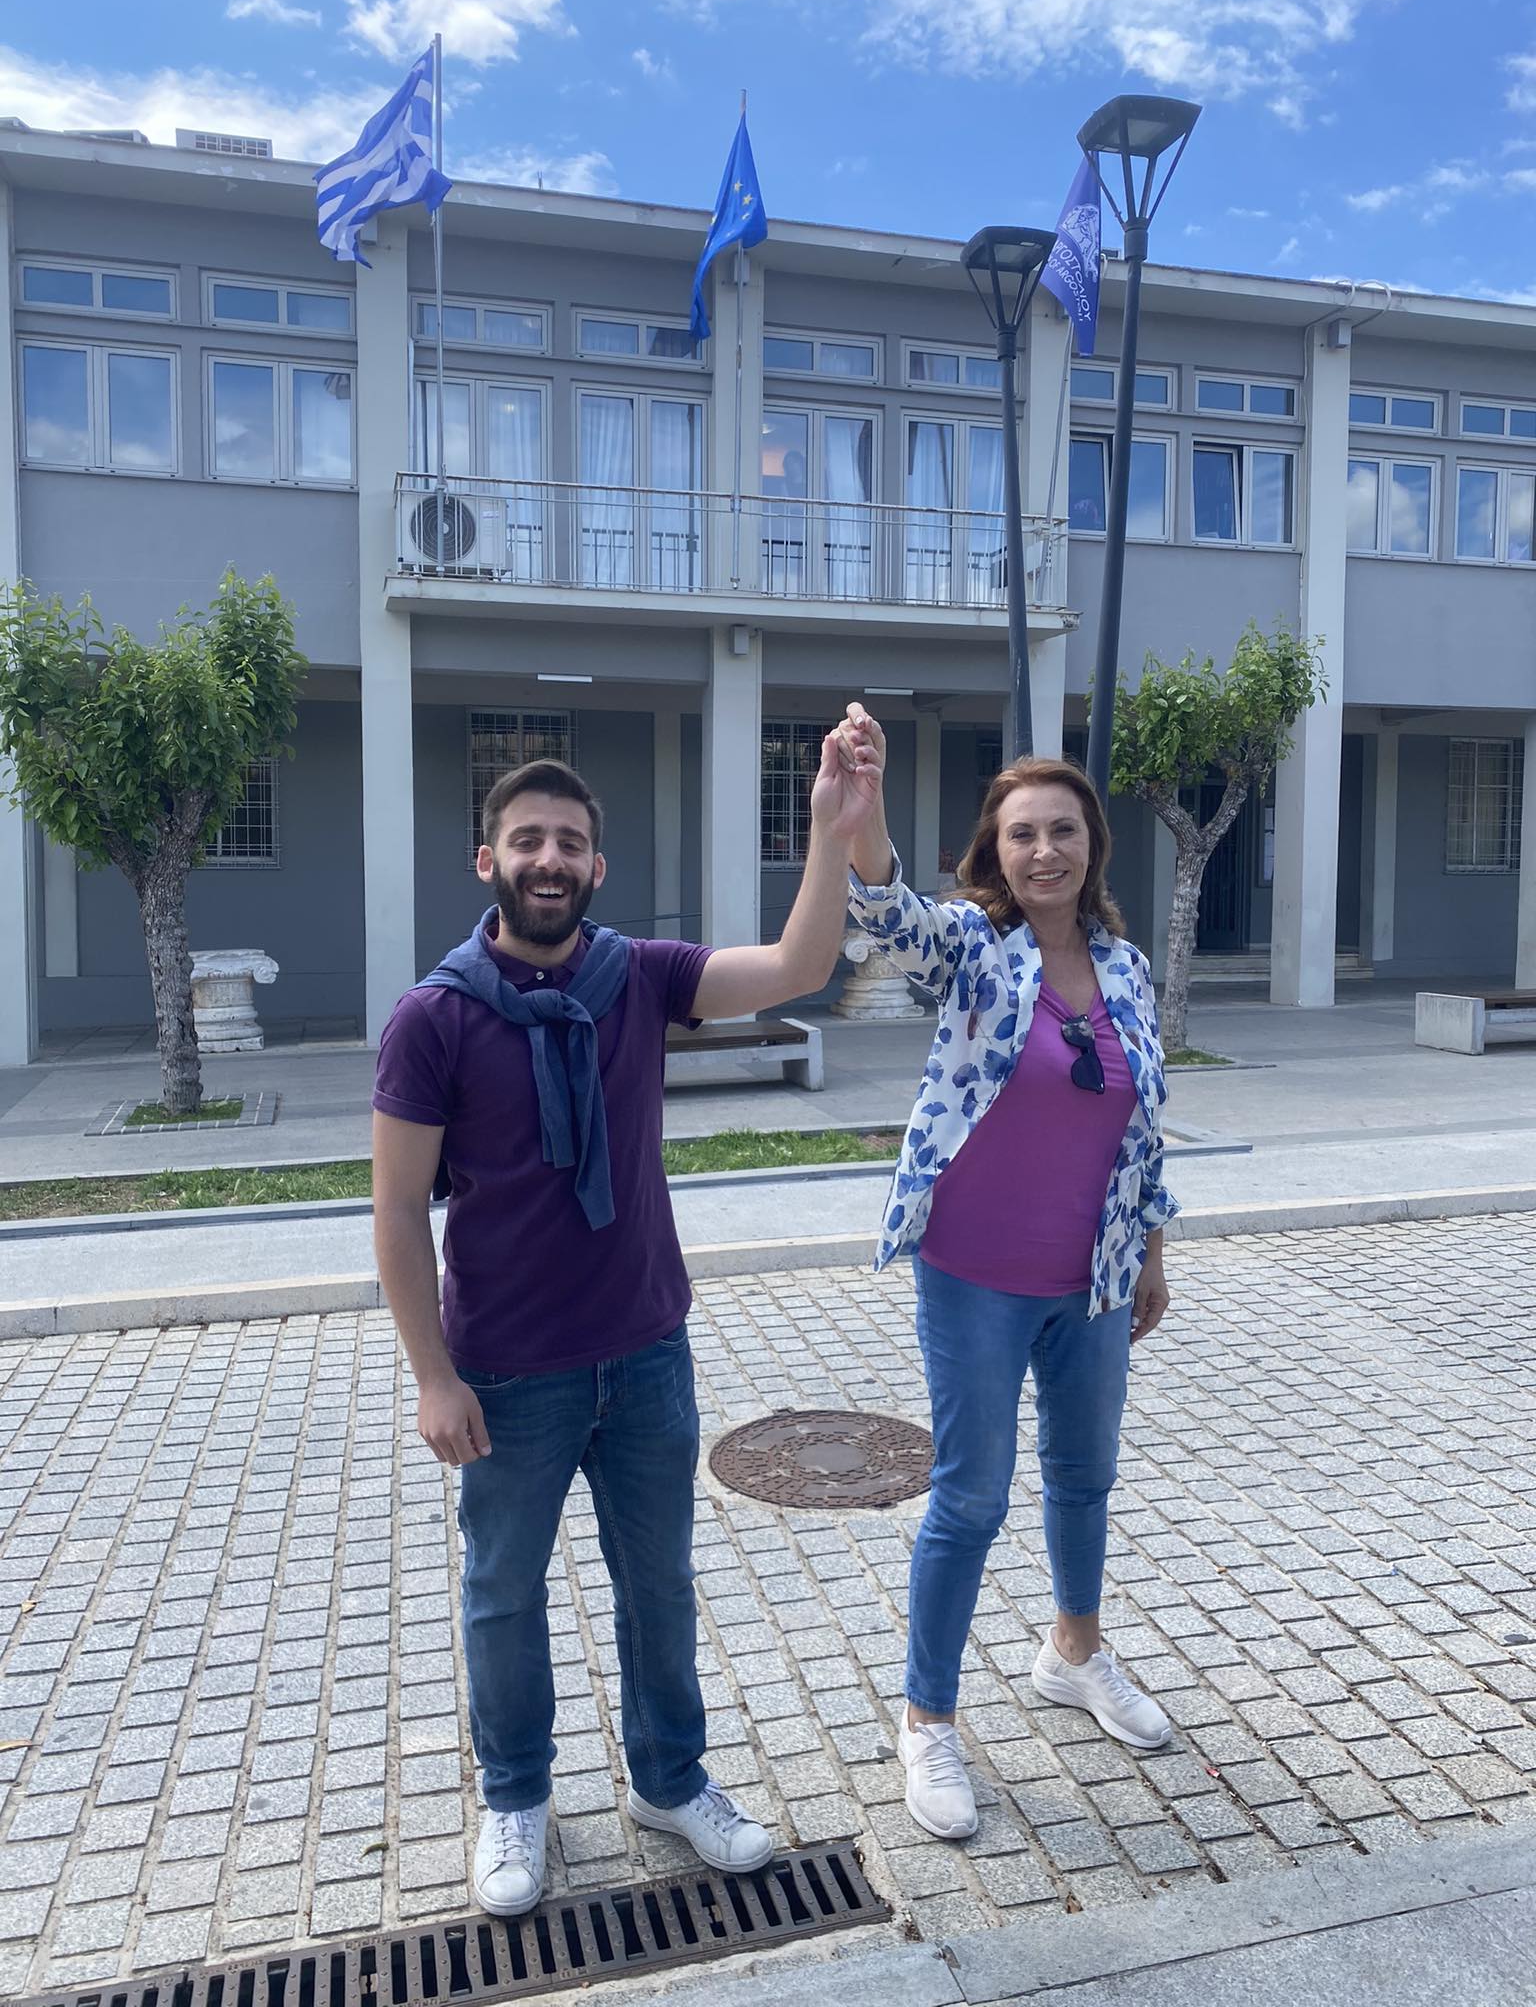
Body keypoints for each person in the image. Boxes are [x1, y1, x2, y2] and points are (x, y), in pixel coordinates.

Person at [371, 739, 876, 1915]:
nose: (549, 858)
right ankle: (516, 1795)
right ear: (488, 859)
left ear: (598, 865)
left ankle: (669, 1779)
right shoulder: (433, 1018)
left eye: (570, 842)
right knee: (504, 1590)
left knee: (659, 1583)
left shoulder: (637, 976)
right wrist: (434, 1377)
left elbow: (799, 964)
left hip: (646, 1352)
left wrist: (829, 826)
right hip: (506, 1370)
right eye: (528, 840)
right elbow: (396, 1210)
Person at [835, 703, 1179, 1843]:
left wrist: (1151, 1251)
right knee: (971, 1496)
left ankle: (1073, 1652)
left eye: (1063, 830)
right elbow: (888, 912)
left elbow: (1146, 1127)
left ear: (1092, 846)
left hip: (1092, 1278)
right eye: (1023, 832)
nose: (1044, 850)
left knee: (1084, 1476)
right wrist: (865, 804)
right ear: (997, 848)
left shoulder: (1126, 967)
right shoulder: (977, 950)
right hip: (975, 1276)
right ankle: (927, 1718)